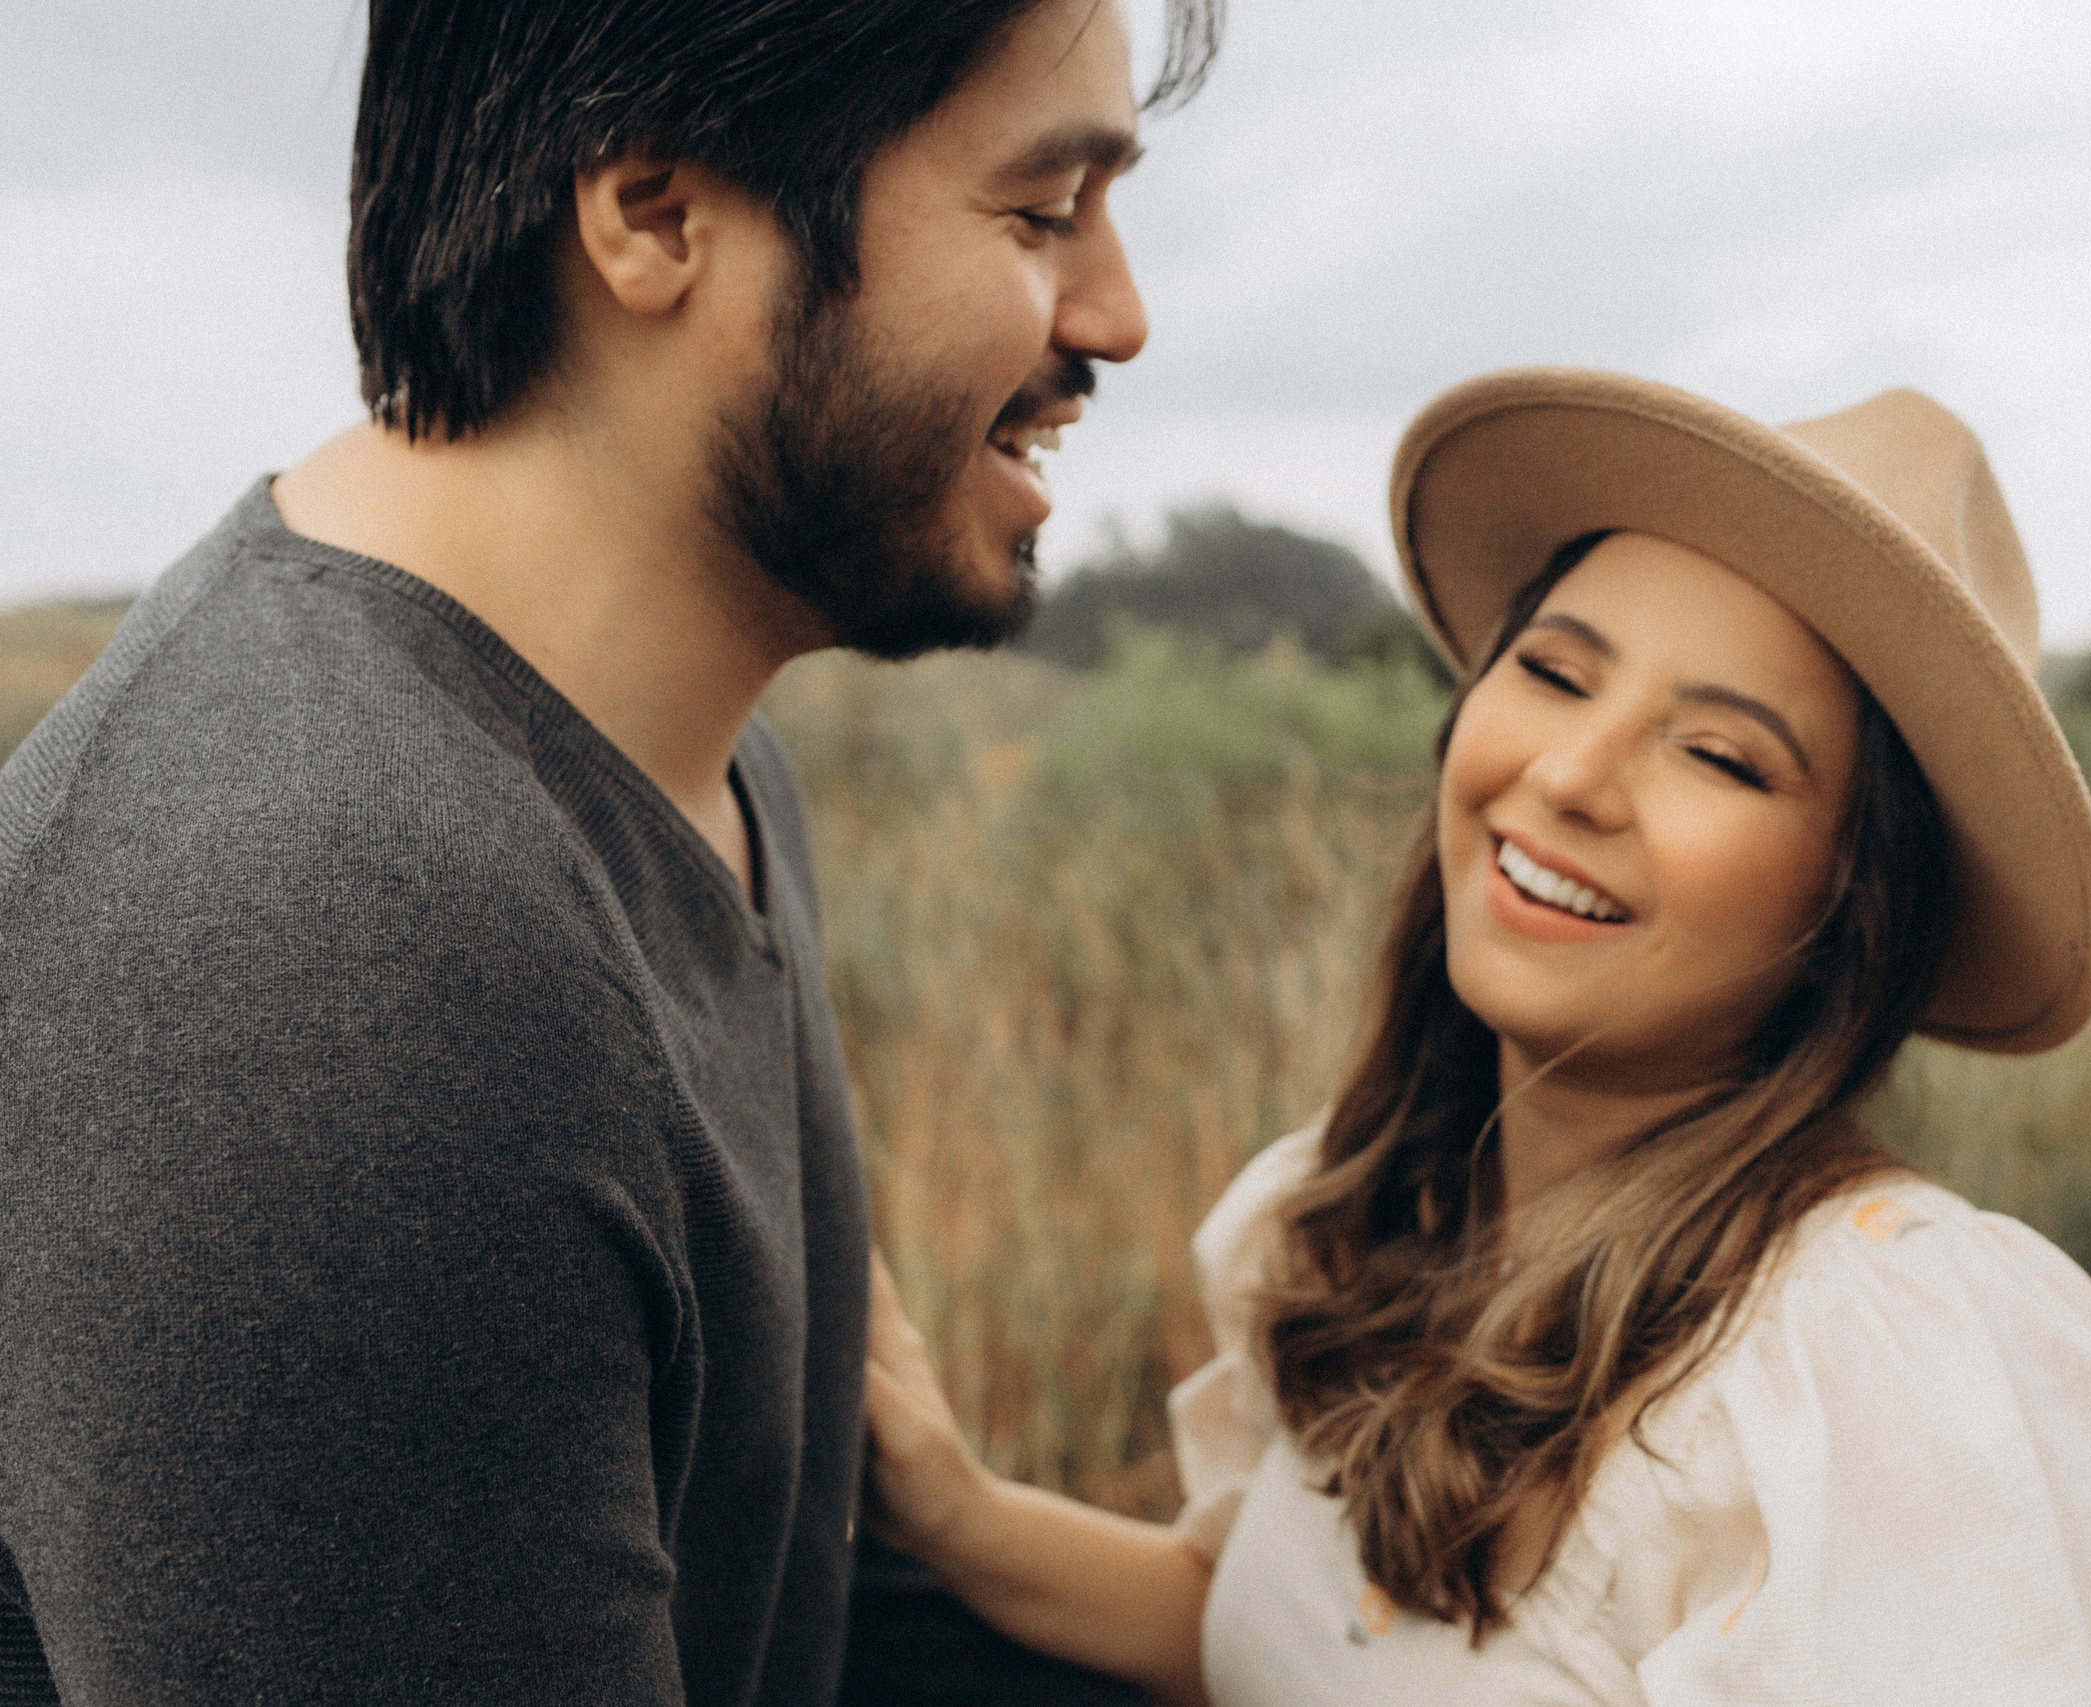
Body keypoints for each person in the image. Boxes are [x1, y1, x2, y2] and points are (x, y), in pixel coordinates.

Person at [0, 1, 1215, 1702]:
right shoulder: (325, 953)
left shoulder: (694, 764)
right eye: (1038, 211)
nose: (1119, 315)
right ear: (652, 214)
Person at [861, 369, 2091, 1705]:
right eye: (1555, 672)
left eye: (1721, 755)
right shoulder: (1368, 1214)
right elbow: (1245, 1624)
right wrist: (953, 1504)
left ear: (1853, 903)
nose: (1568, 775)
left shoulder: (1868, 1381)